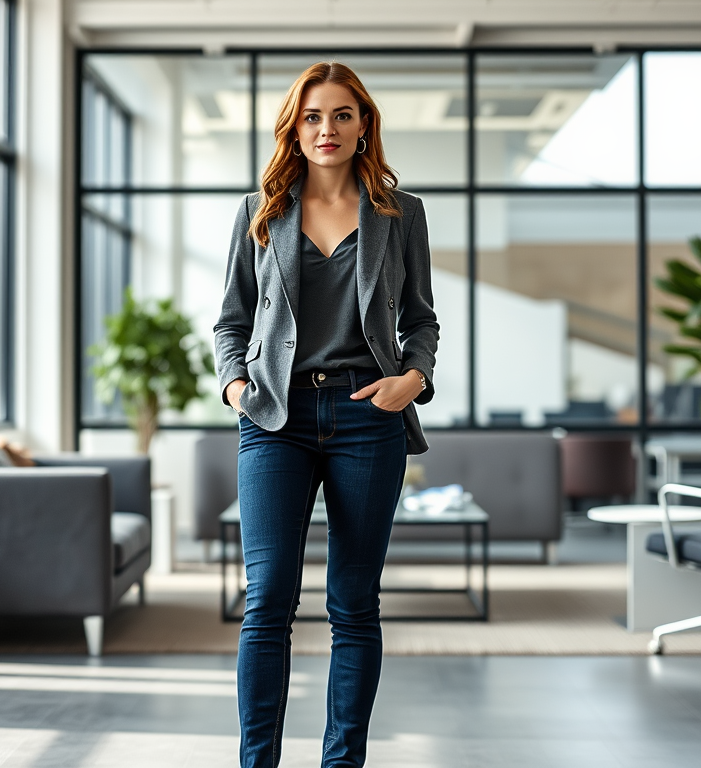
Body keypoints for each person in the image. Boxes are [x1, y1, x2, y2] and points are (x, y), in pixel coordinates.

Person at [213, 61, 439, 768]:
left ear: (364, 123)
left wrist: (413, 379)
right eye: (312, 116)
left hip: (368, 415)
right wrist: (234, 389)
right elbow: (229, 324)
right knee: (268, 598)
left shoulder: (401, 213)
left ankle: (343, 763)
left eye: (341, 114)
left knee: (353, 604)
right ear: (295, 127)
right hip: (275, 417)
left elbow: (421, 320)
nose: (326, 129)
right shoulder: (261, 210)